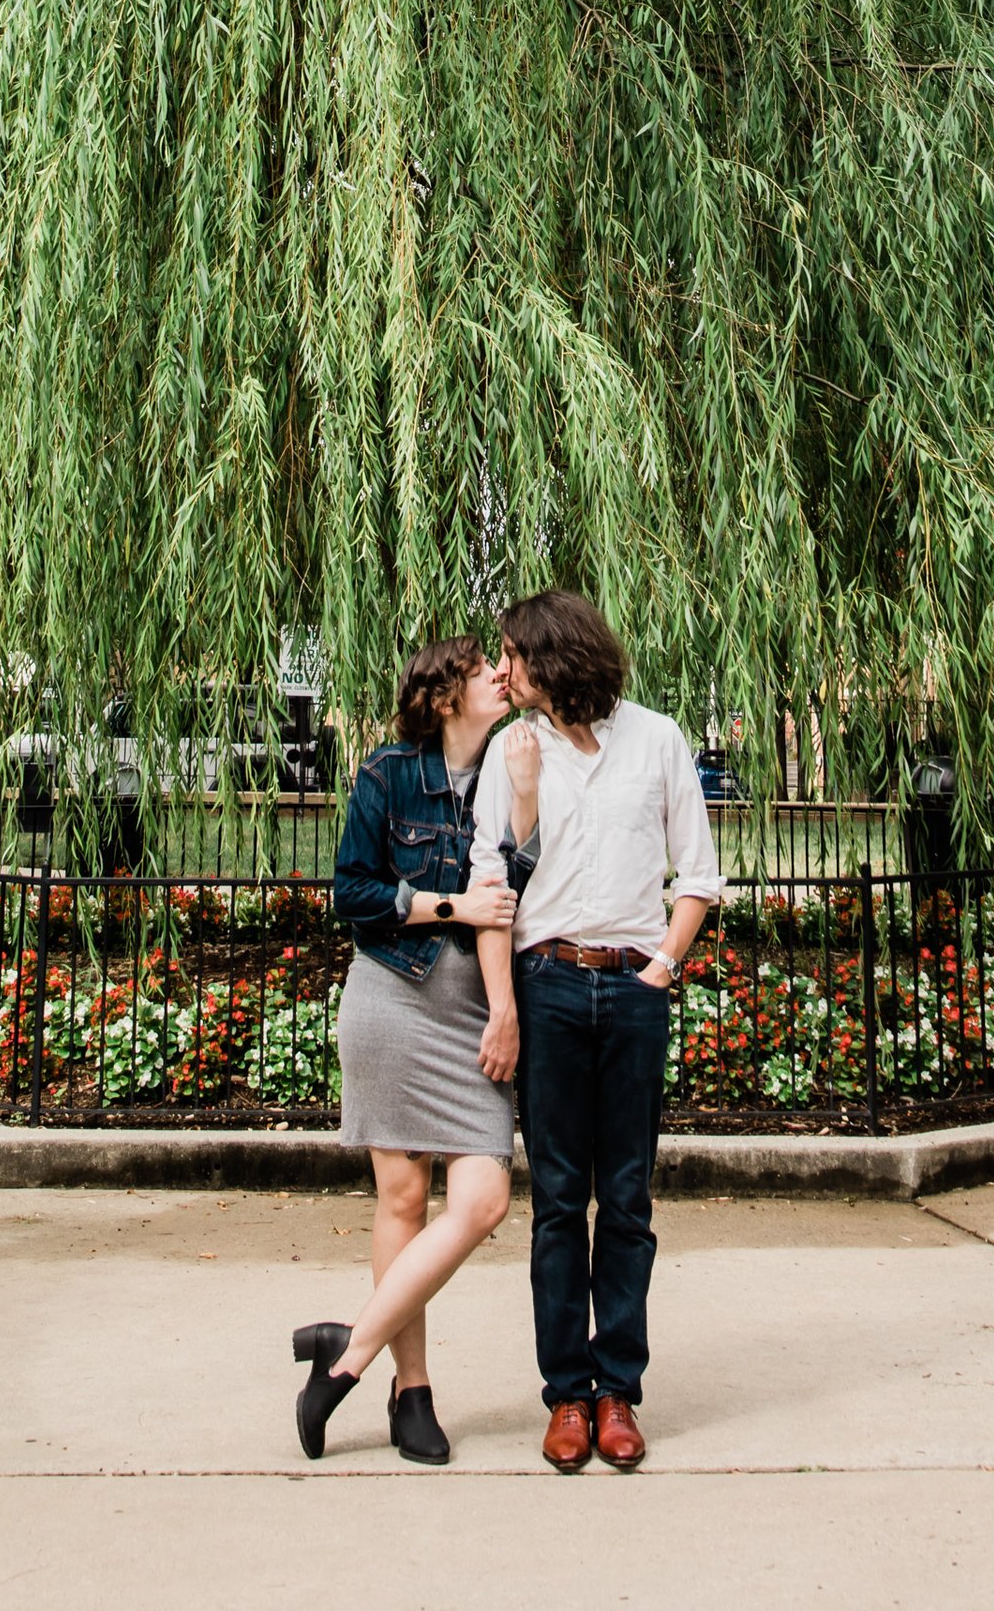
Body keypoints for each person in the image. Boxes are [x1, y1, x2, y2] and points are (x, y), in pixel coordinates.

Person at [471, 587, 721, 1475]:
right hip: (547, 986)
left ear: (554, 655)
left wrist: (662, 966)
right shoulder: (512, 753)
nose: (501, 670)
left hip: (631, 987)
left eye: (512, 654)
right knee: (555, 1204)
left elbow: (699, 872)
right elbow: (493, 889)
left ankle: (619, 1390)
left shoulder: (657, 739)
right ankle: (566, 1397)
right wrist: (504, 1003)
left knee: (626, 1199)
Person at [291, 634, 523, 1464]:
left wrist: (507, 1006)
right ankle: (410, 1390)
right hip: (391, 1000)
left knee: (485, 1199)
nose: (500, 677)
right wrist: (450, 909)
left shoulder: (514, 770)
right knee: (401, 1202)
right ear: (443, 694)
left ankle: (346, 1348)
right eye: (481, 671)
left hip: (476, 1020)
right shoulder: (388, 774)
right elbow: (351, 893)